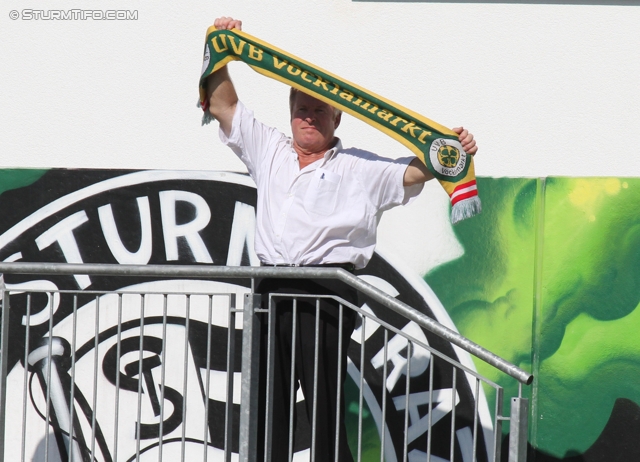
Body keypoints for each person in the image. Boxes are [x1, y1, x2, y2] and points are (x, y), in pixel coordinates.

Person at [207, 16, 478, 462]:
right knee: (263, 412)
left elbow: (415, 169)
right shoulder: (269, 148)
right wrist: (221, 48)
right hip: (269, 292)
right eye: (301, 108)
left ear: (337, 116)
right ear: (290, 113)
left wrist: (449, 150)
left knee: (325, 414)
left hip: (325, 296)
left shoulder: (359, 168)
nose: (308, 116)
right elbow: (222, 105)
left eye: (318, 109)